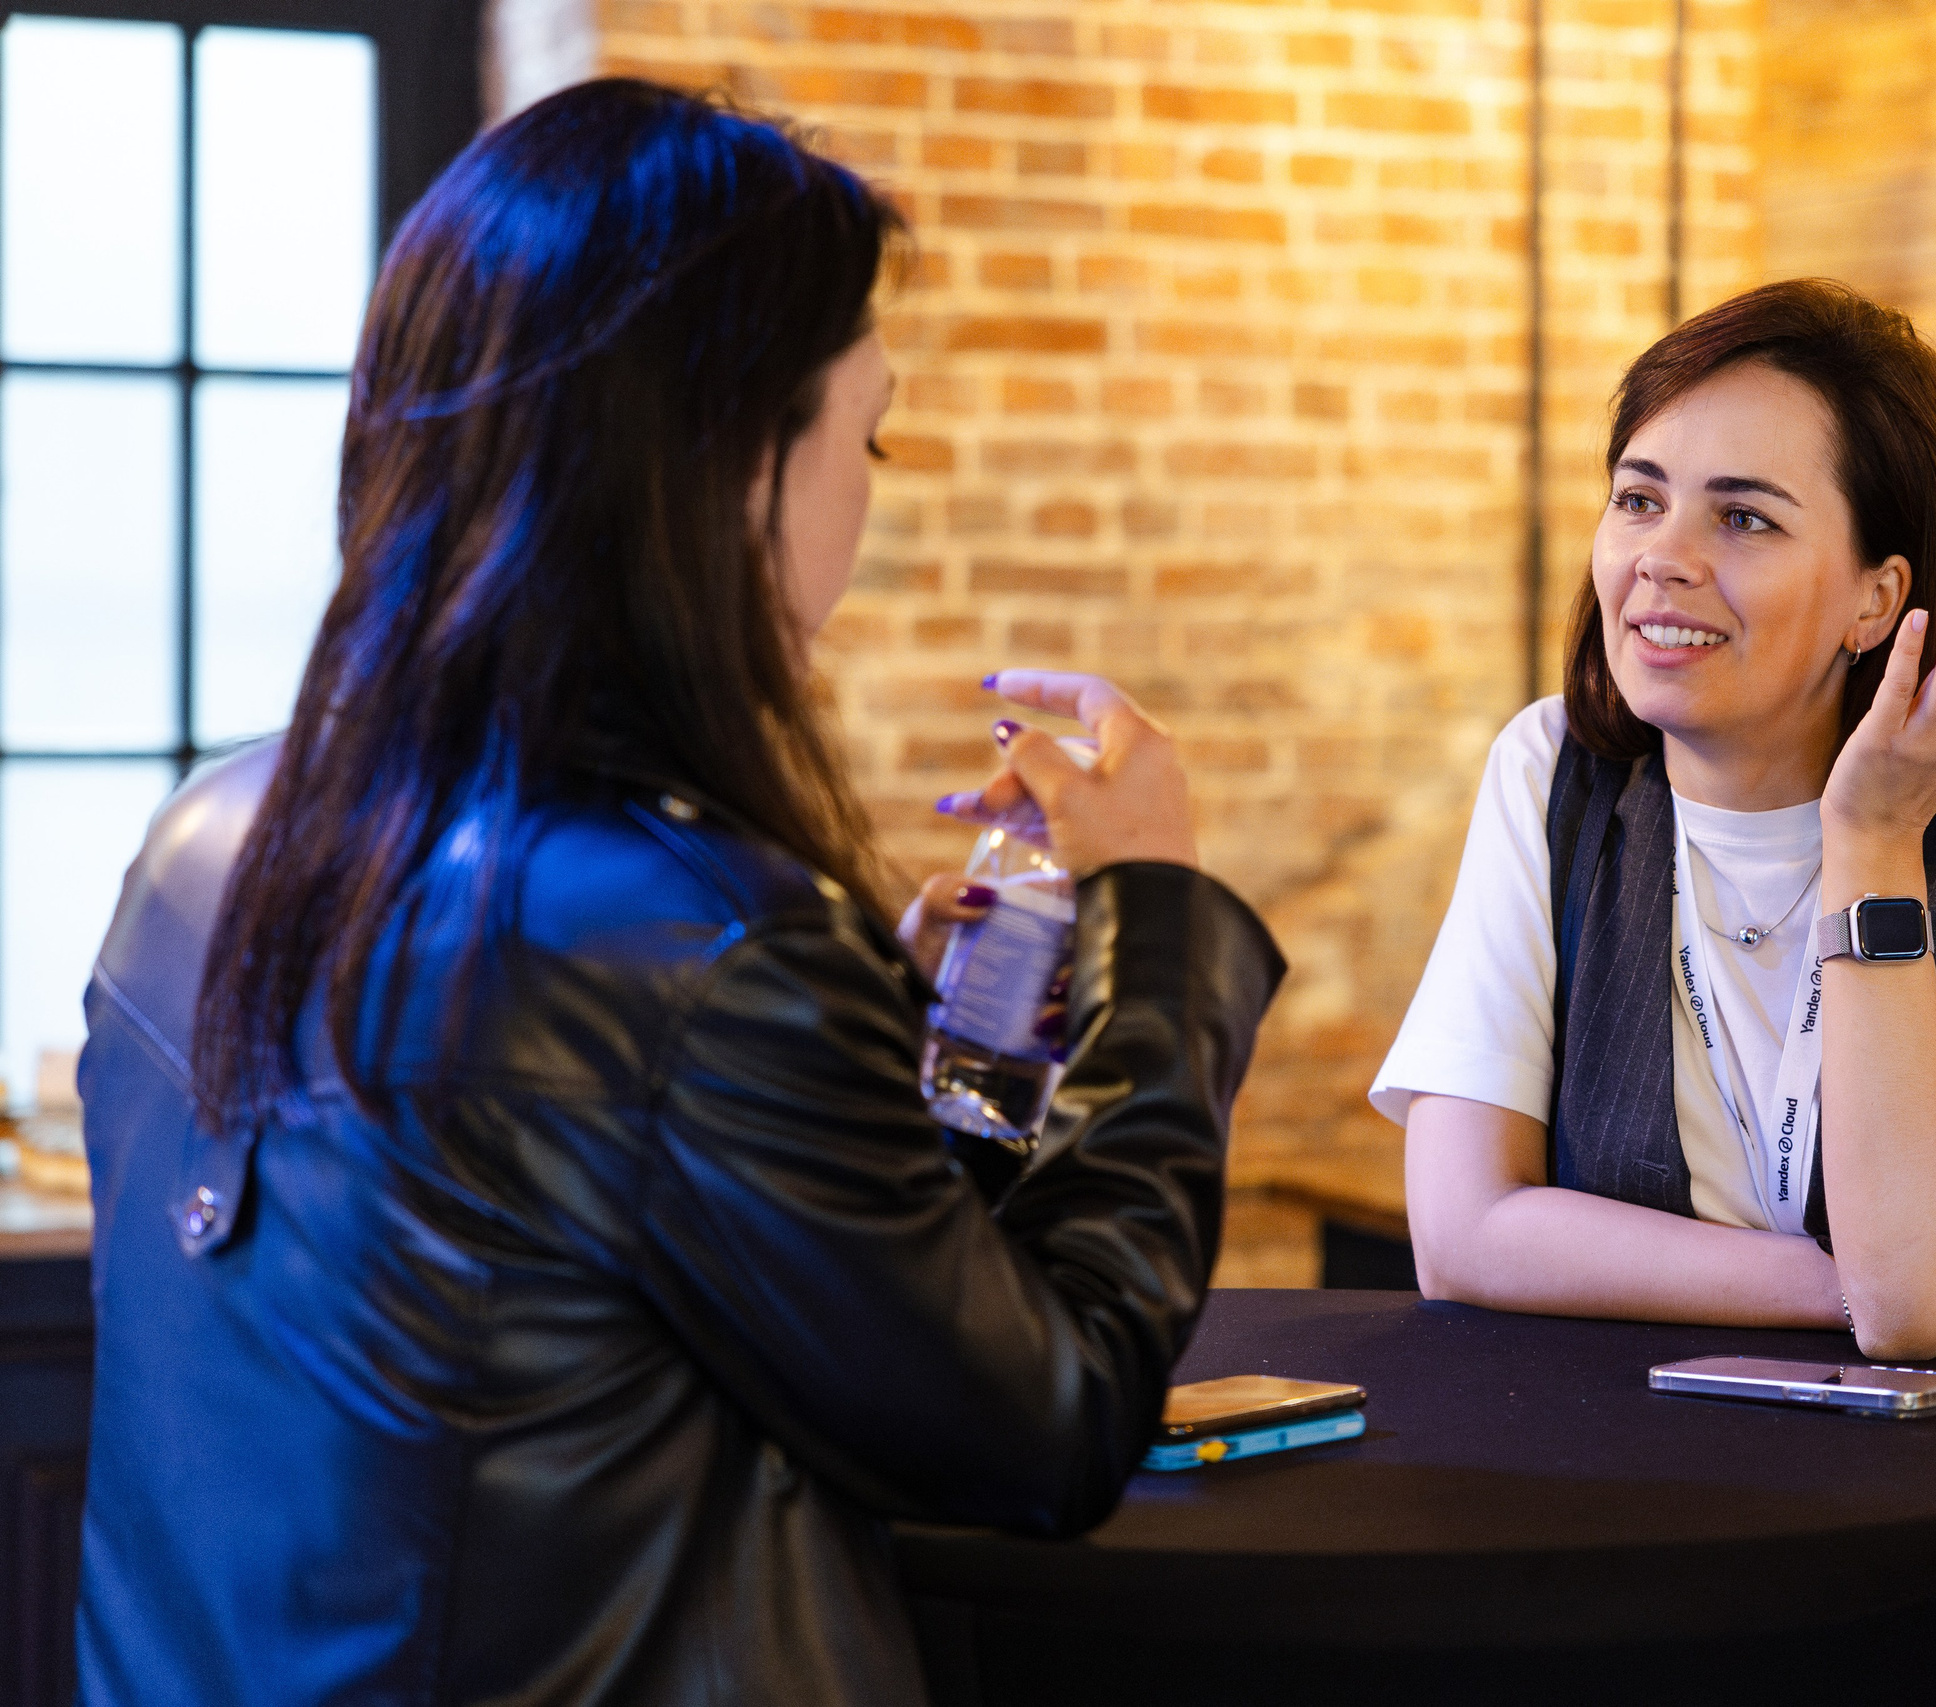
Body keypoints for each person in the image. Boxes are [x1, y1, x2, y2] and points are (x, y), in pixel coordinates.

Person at [75, 81, 1282, 1707]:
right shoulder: (695, 945)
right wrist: (1160, 937)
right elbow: (1050, 1429)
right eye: (869, 435)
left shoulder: (209, 833)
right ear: (726, 467)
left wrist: (900, 1043)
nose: (867, 493)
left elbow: (546, 1331)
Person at [1375, 279, 1936, 1707]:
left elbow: (1918, 1279)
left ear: (1881, 593)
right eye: (1639, 499)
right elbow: (1463, 1229)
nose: (1661, 560)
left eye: (1743, 517)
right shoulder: (1558, 775)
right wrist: (1858, 1295)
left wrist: (1869, 841)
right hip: (1656, 1553)